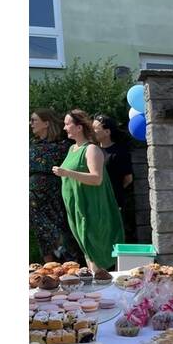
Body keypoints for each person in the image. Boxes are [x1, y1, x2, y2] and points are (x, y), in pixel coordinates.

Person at [51, 109, 125, 272]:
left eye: (67, 124)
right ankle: (96, 280)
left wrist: (67, 173)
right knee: (86, 249)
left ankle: (101, 281)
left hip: (91, 209)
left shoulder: (91, 149)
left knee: (95, 249)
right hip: (76, 209)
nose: (64, 128)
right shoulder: (72, 149)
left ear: (79, 127)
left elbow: (96, 178)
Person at [30, 108, 79, 262]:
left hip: (54, 196)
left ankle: (72, 264)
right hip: (33, 197)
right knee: (41, 233)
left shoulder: (62, 146)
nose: (31, 123)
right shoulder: (32, 145)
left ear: (46, 123)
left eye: (34, 120)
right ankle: (49, 269)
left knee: (58, 231)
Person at [91, 113, 134, 241]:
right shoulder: (92, 151)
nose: (92, 132)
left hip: (113, 202)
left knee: (114, 235)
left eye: (95, 129)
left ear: (107, 132)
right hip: (95, 200)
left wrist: (113, 191)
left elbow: (128, 179)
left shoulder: (120, 152)